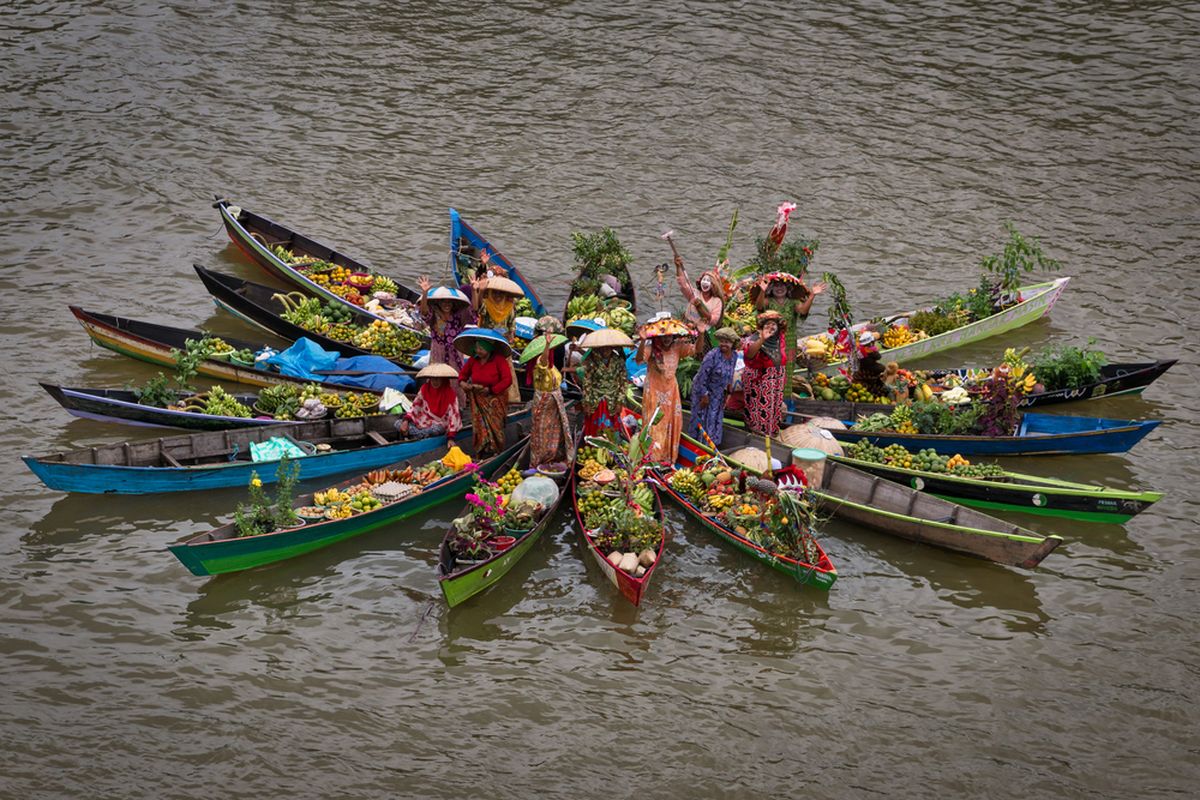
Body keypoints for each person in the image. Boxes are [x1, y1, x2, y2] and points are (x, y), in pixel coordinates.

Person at [752, 272, 825, 406]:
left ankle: (784, 403)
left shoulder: (793, 303)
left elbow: (803, 311)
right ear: (771, 289)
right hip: (771, 341)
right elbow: (759, 307)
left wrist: (812, 295)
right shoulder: (768, 301)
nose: (779, 289)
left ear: (788, 289)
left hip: (789, 341)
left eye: (782, 286)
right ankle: (767, 399)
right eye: (776, 286)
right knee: (770, 369)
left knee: (787, 371)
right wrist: (762, 291)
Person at [635, 321, 695, 464]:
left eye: (670, 335)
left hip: (671, 392)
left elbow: (696, 350)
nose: (667, 338)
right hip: (654, 392)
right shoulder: (651, 348)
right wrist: (643, 341)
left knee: (672, 423)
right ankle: (653, 458)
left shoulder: (677, 347)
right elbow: (638, 360)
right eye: (663, 336)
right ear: (657, 337)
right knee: (654, 424)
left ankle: (668, 457)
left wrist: (702, 333)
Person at [471, 268, 523, 404]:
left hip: (503, 343)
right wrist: (478, 290)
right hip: (488, 344)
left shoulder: (510, 306)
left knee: (506, 373)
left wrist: (511, 334)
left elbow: (512, 324)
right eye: (495, 292)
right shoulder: (487, 304)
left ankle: (508, 399)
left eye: (501, 293)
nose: (498, 295)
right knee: (489, 371)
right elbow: (476, 308)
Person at [457, 335, 513, 456]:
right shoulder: (473, 359)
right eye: (477, 348)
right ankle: (482, 450)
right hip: (478, 398)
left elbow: (507, 380)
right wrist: (463, 383)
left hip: (495, 398)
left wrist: (491, 389)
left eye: (481, 349)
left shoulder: (499, 360)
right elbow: (463, 375)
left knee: (495, 426)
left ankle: (496, 450)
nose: (478, 351)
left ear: (489, 349)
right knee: (479, 426)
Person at [687, 327, 740, 448]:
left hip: (719, 393)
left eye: (727, 342)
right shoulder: (712, 355)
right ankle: (697, 447)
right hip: (703, 390)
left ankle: (711, 447)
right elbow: (702, 376)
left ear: (733, 343)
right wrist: (704, 395)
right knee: (702, 418)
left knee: (714, 419)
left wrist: (729, 389)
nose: (724, 344)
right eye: (722, 341)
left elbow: (730, 373)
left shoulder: (734, 356)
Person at [575, 328, 631, 434]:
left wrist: (620, 401)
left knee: (612, 429)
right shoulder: (591, 361)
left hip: (613, 399)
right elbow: (587, 382)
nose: (605, 350)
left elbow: (623, 382)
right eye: (603, 348)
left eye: (608, 348)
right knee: (596, 428)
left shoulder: (618, 361)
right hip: (596, 399)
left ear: (612, 348)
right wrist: (586, 403)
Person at [742, 310, 788, 436]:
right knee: (759, 412)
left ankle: (771, 434)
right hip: (760, 382)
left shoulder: (780, 339)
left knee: (773, 410)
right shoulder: (753, 339)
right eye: (767, 324)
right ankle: (758, 436)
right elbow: (749, 354)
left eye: (773, 324)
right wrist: (762, 339)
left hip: (776, 382)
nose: (770, 327)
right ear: (761, 327)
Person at [529, 331, 571, 467]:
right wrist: (547, 345)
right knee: (542, 432)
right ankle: (540, 461)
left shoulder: (552, 368)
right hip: (544, 403)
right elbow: (543, 361)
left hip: (555, 402)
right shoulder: (539, 364)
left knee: (557, 431)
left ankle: (555, 458)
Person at [417, 278, 475, 374]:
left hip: (455, 352)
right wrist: (425, 293)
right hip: (438, 352)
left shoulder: (458, 315)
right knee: (437, 375)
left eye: (449, 302)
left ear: (453, 303)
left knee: (455, 376)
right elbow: (424, 312)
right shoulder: (434, 315)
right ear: (439, 303)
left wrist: (474, 290)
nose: (446, 305)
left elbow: (473, 310)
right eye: (443, 302)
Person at [674, 253, 725, 356]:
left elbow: (713, 320)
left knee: (700, 355)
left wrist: (700, 306)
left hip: (704, 333)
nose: (705, 283)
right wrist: (678, 266)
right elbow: (683, 283)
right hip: (688, 327)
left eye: (708, 281)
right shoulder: (694, 294)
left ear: (713, 285)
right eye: (704, 280)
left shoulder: (717, 301)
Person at [396, 363, 462, 439]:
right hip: (423, 420)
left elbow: (454, 416)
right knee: (398, 423)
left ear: (443, 379)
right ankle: (417, 434)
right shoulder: (425, 389)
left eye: (438, 379)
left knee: (435, 430)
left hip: (440, 423)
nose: (435, 381)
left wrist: (451, 437)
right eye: (433, 378)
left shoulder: (450, 394)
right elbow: (415, 407)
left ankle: (414, 435)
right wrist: (406, 421)